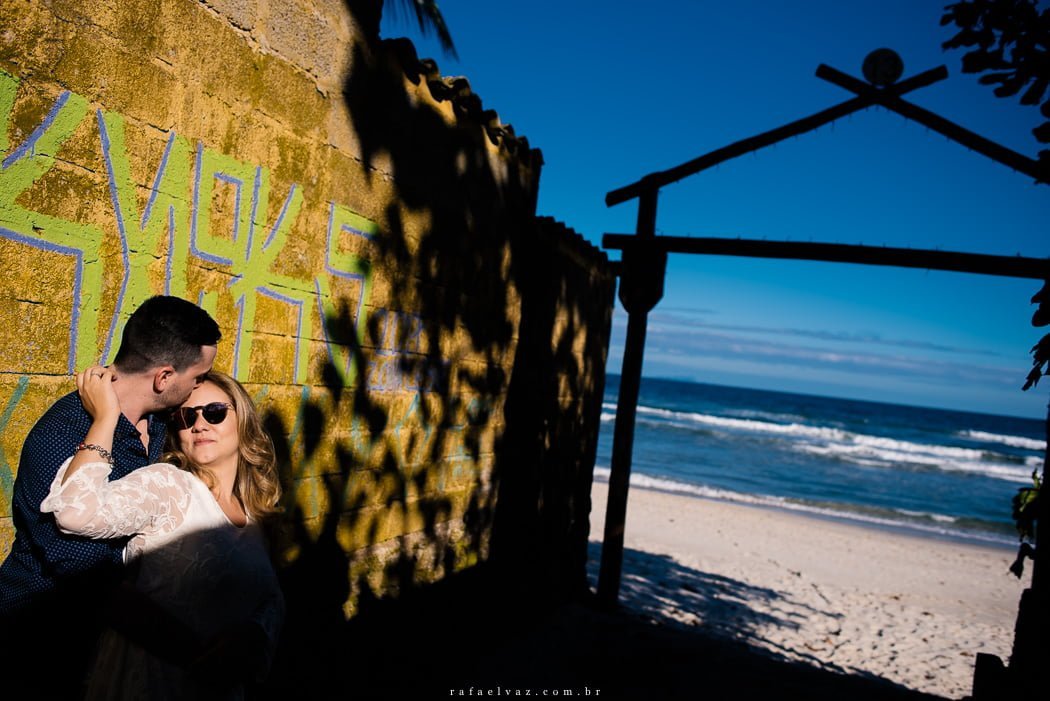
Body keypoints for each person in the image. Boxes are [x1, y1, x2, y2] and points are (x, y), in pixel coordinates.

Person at [0, 295, 221, 696]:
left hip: (117, 648)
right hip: (42, 642)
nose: (200, 385)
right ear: (164, 377)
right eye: (198, 376)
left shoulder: (158, 424)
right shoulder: (63, 434)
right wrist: (190, 647)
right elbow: (84, 571)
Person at [41, 369, 284, 699]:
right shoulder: (168, 485)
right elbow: (74, 512)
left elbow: (270, 601)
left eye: (215, 412)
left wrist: (254, 635)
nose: (199, 425)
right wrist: (105, 419)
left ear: (243, 420)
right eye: (187, 416)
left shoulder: (255, 511)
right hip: (151, 684)